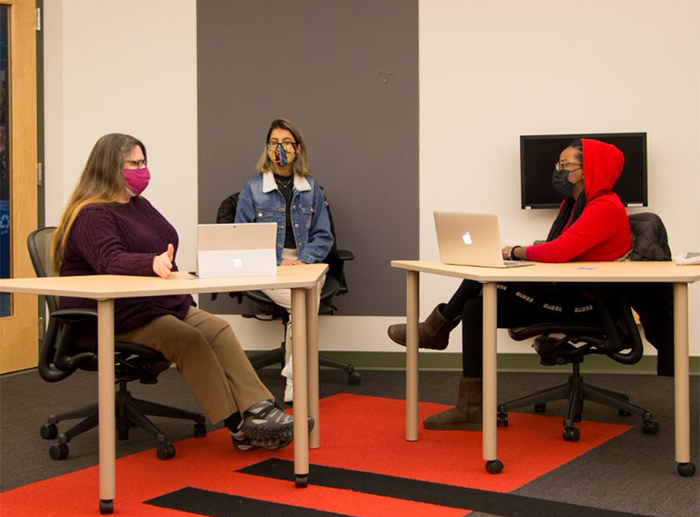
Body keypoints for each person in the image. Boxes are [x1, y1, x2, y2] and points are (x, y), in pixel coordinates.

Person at [53, 132, 303, 451]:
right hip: (115, 315)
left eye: (143, 162)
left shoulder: (139, 205)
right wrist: (150, 262)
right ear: (109, 166)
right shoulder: (91, 213)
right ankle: (239, 428)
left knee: (217, 327)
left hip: (155, 304)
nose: (142, 169)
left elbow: (164, 240)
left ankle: (260, 409)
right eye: (134, 163)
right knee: (188, 339)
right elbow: (108, 259)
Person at [387, 138, 633, 431]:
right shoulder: (574, 205)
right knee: (476, 307)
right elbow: (558, 248)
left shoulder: (604, 207)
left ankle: (434, 330)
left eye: (566, 165)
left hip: (587, 305)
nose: (559, 171)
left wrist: (514, 252)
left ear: (589, 170)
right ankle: (471, 408)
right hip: (567, 293)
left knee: (489, 276)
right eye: (559, 164)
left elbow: (558, 252)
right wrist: (523, 252)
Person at [235, 118, 333, 403]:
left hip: (306, 262)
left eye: (287, 142)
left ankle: (293, 374)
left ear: (298, 148)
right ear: (267, 148)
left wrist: (305, 260)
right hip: (267, 265)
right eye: (274, 143)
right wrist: (275, 261)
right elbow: (241, 239)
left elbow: (324, 236)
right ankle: (296, 379)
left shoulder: (311, 188)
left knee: (305, 292)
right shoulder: (252, 189)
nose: (280, 148)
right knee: (303, 302)